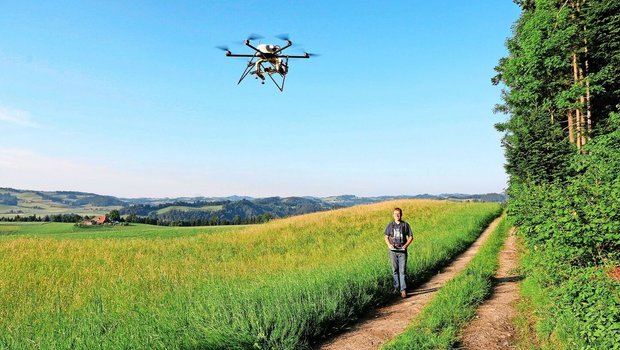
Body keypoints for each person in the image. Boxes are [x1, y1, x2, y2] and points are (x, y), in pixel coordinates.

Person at [384, 207, 413, 298]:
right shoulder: (390, 225)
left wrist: (406, 245)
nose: (397, 215)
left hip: (402, 251)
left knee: (402, 271)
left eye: (398, 213)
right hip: (392, 251)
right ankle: (396, 288)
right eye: (395, 213)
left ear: (401, 214)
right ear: (393, 215)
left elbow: (411, 237)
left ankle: (403, 290)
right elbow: (386, 237)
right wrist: (389, 245)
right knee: (394, 270)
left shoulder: (405, 225)